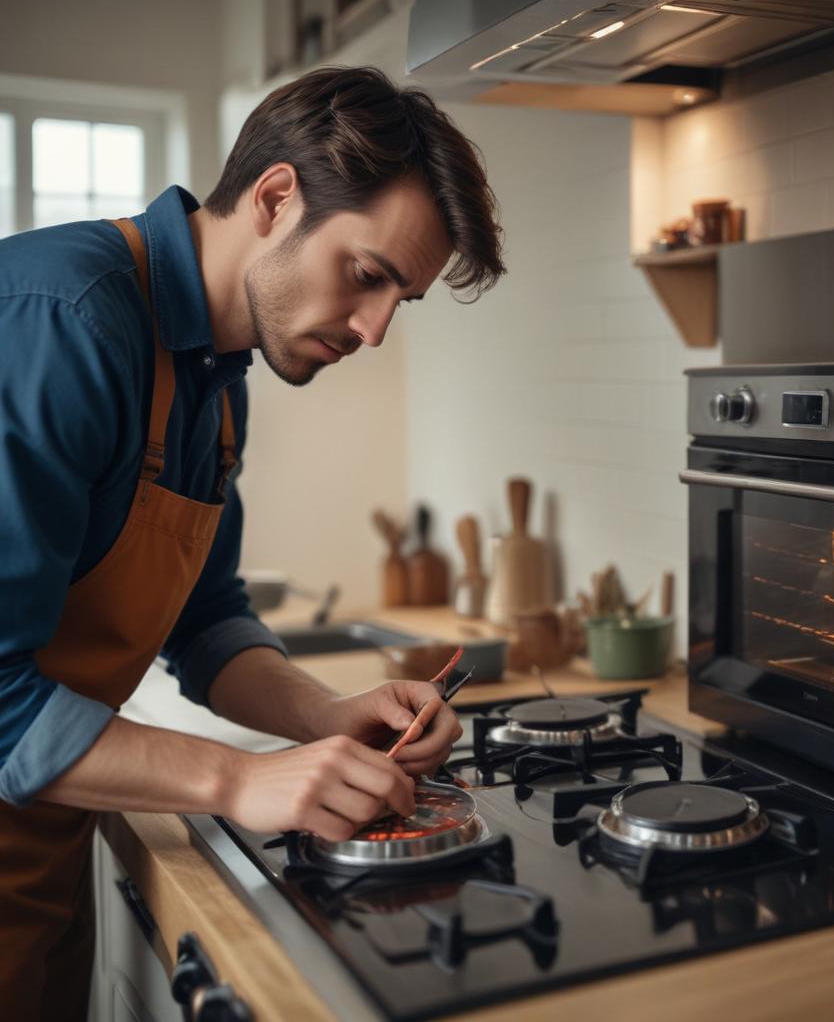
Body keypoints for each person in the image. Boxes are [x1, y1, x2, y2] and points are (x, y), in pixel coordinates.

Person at [0, 65, 505, 1019]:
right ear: (276, 198)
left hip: (38, 844)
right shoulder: (60, 326)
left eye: (404, 300)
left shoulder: (218, 380)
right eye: (367, 276)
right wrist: (238, 778)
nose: (375, 329)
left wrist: (324, 716)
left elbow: (207, 621)